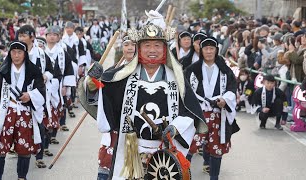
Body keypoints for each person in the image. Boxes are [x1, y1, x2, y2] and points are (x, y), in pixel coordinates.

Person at [84, 23, 207, 179]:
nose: (152, 50)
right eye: (147, 45)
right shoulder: (123, 76)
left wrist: (176, 127)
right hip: (131, 149)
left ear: (165, 49)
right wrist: (92, 82)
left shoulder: (177, 79)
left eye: (157, 45)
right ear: (139, 48)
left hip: (163, 152)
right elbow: (104, 96)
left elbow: (190, 111)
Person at [0, 41, 46, 180]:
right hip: (6, 111)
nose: (16, 55)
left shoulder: (33, 71)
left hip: (24, 112)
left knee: (24, 146)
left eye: (20, 52)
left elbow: (41, 90)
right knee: (0, 144)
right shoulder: (3, 70)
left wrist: (29, 95)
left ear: (25, 54)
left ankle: (22, 177)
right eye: (13, 52)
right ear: (9, 53)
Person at [184, 36, 238, 180]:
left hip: (217, 115)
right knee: (190, 145)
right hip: (198, 115)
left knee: (216, 148)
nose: (208, 51)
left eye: (211, 49)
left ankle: (214, 177)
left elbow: (232, 87)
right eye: (206, 49)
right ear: (201, 51)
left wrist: (224, 100)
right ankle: (183, 175)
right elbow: (185, 90)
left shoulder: (225, 70)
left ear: (216, 50)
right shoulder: (192, 69)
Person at [97, 33, 136, 179]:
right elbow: (98, 89)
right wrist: (92, 81)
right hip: (115, 124)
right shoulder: (112, 73)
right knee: (107, 162)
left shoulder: (144, 71)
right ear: (122, 49)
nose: (130, 48)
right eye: (126, 45)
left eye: (133, 45)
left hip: (135, 127)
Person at [18, 25, 55, 168]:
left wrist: (45, 76)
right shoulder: (16, 51)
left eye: (24, 35)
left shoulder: (40, 53)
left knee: (38, 122)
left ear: (32, 37)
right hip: (19, 94)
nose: (21, 38)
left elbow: (51, 70)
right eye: (19, 36)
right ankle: (20, 150)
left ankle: (39, 155)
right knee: (18, 123)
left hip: (36, 92)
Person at [45, 25, 76, 143]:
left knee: (57, 108)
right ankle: (46, 136)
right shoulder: (41, 52)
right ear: (46, 36)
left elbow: (68, 69)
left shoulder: (62, 52)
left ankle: (53, 133)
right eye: (50, 34)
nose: (52, 37)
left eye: (55, 35)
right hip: (44, 85)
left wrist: (65, 86)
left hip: (58, 84)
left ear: (58, 37)